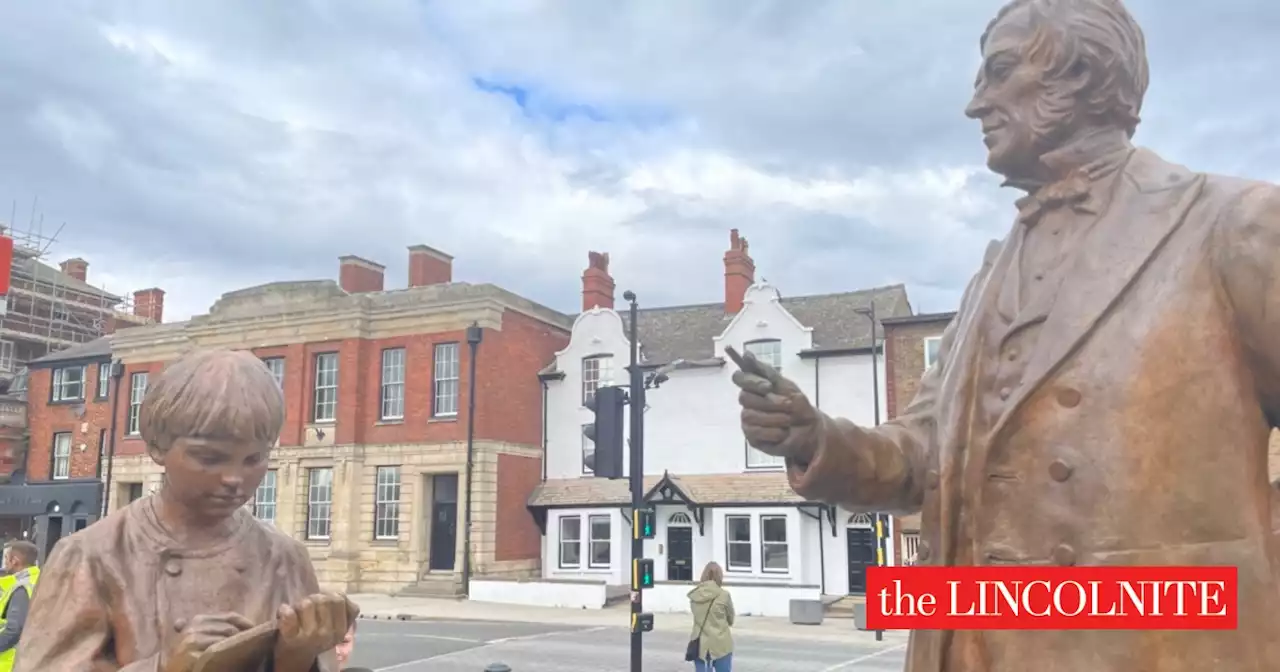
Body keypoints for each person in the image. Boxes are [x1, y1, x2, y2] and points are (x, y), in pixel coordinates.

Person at [732, 0, 1280, 670]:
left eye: (998, 72)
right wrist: (815, 437)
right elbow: (922, 452)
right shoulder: (990, 274)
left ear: (1082, 74)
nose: (975, 105)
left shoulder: (1235, 225)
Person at [13, 349, 358, 672]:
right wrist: (163, 666)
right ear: (157, 448)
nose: (234, 478)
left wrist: (296, 656)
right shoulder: (92, 556)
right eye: (209, 458)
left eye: (255, 459)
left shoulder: (285, 557)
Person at [687, 562, 734, 672]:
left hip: (699, 645)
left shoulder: (695, 595)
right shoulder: (724, 595)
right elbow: (731, 619)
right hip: (721, 644)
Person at [0, 542, 38, 671]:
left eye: (6, 558)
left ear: (15, 561)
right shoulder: (39, 579)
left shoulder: (22, 587)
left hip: (10, 663)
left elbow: (14, 630)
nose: (5, 563)